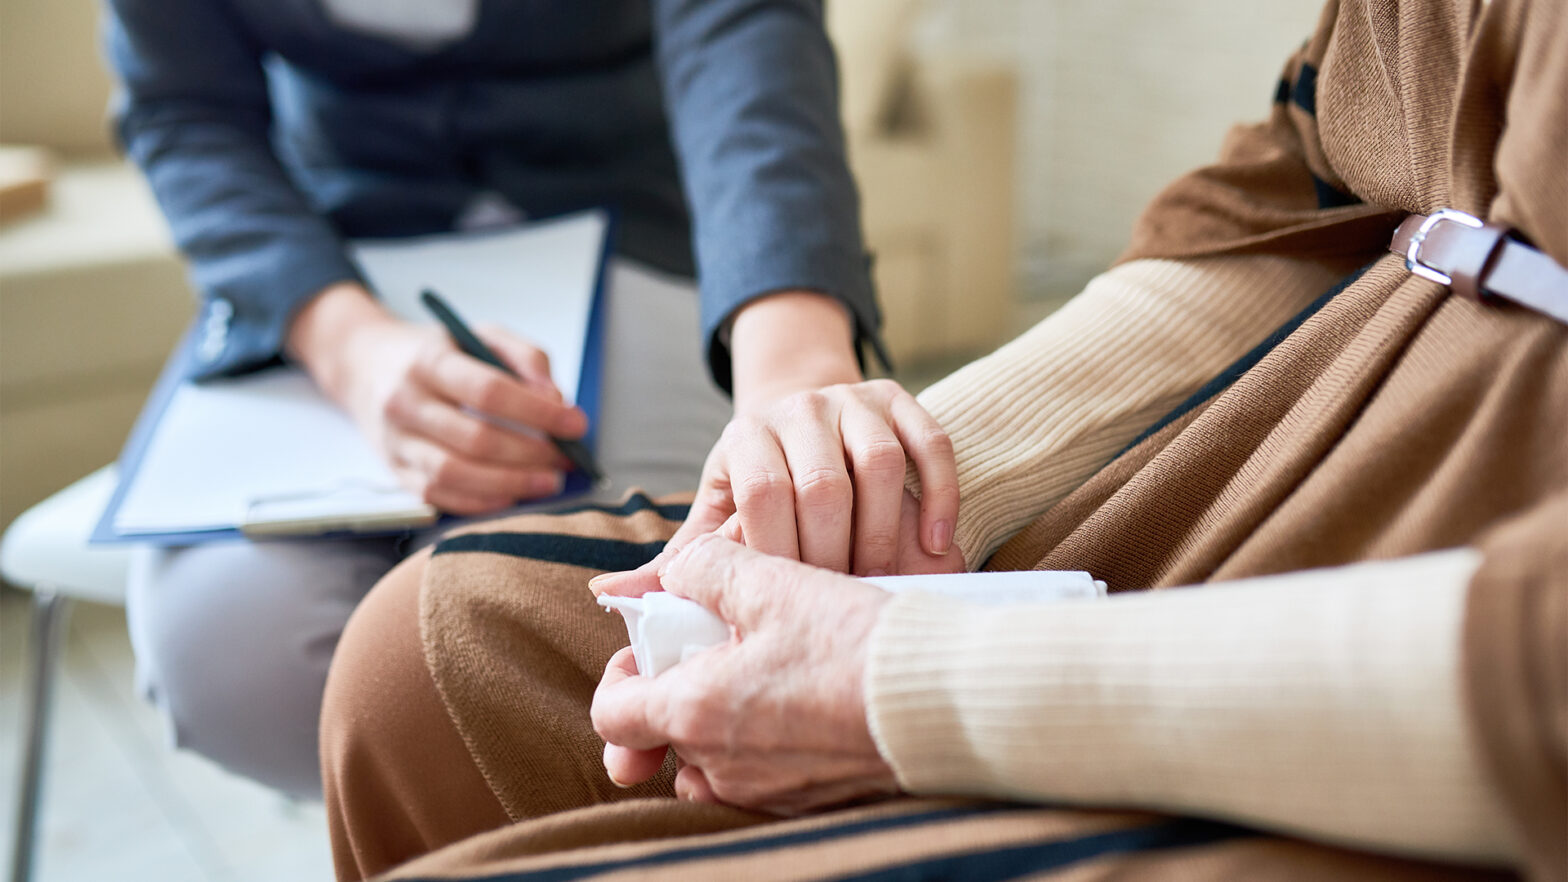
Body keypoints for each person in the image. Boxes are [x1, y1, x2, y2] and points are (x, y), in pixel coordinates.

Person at [319, 0, 1566, 879]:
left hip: (1488, 677)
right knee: (420, 656)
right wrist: (901, 480)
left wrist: (905, 690)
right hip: (1282, 429)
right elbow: (1306, 180)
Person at [105, 0, 959, 798]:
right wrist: (351, 348)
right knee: (227, 662)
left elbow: (743, 31)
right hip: (330, 267)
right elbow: (183, 110)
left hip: (639, 225)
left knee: (612, 640)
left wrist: (792, 360)